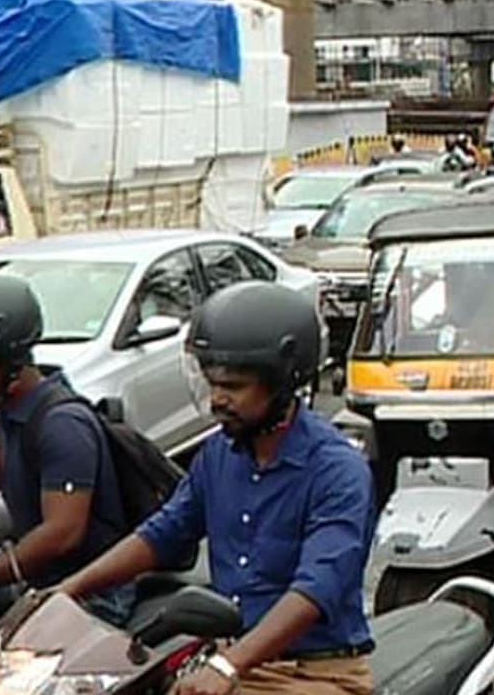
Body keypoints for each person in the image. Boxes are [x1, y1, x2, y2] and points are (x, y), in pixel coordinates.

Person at [60, 281, 376, 695]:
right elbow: (163, 534)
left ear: (283, 383)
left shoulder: (337, 471)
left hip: (312, 673)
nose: (216, 400)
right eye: (212, 384)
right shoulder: (218, 454)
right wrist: (67, 591)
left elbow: (317, 589)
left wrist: (229, 665)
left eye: (234, 387)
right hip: (230, 658)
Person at [0, 276, 133, 692]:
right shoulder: (13, 410)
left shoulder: (62, 423)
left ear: (10, 358)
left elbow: (63, 533)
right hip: (42, 576)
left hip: (90, 591)